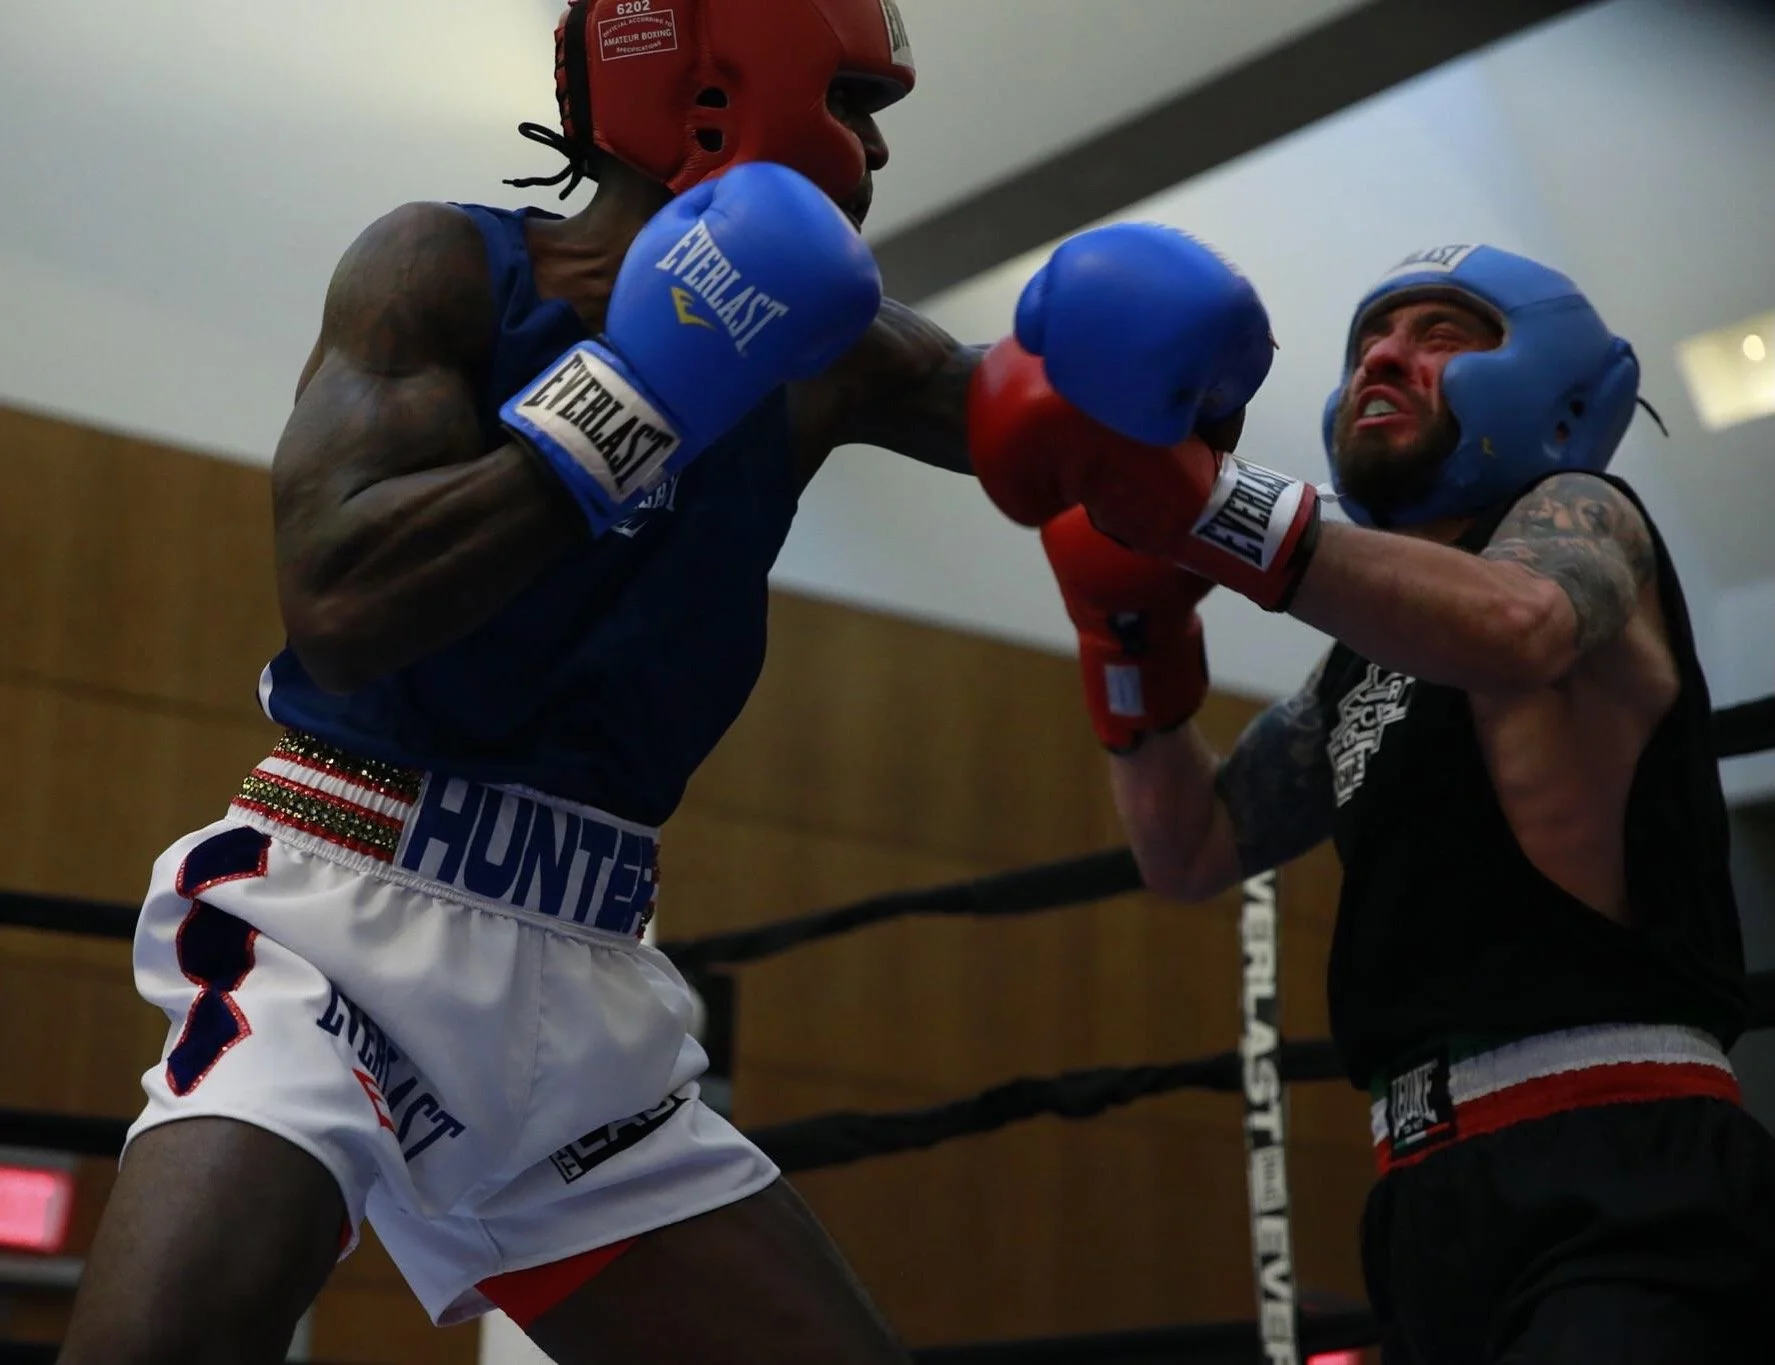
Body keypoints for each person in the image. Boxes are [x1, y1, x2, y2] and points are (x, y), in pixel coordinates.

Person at [56, 2, 1007, 1362]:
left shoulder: (830, 347)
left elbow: (1056, 440)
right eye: (853, 101)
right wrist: (644, 390)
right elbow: (339, 602)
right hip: (338, 920)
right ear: (713, 88)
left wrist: (1170, 423)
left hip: (586, 992)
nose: (871, 151)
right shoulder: (438, 266)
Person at [969, 235, 1775, 1361]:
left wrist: (1205, 505)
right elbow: (1189, 847)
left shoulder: (1585, 518)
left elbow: (1516, 625)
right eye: (1369, 342)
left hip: (1618, 1161)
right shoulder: (1359, 659)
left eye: (1440, 336)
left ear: (1548, 391)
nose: (1384, 360)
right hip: (1422, 1188)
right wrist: (1128, 646)